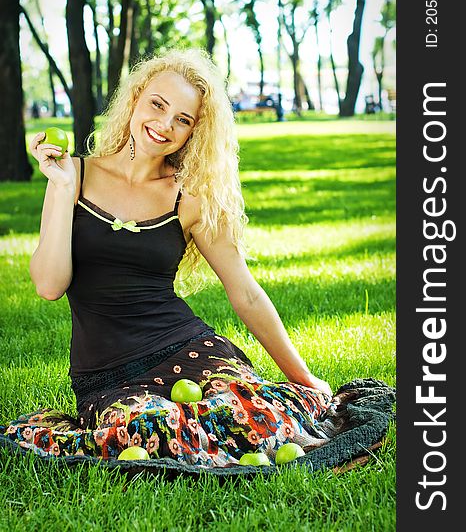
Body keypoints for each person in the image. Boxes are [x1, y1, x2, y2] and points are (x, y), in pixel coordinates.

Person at [4, 48, 341, 466]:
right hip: (107, 372)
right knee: (149, 432)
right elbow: (49, 284)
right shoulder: (74, 174)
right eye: (158, 105)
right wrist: (60, 188)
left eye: (182, 119)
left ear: (194, 132)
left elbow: (246, 293)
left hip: (188, 348)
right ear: (136, 97)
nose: (164, 125)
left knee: (248, 417)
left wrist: (303, 376)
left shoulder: (189, 198)